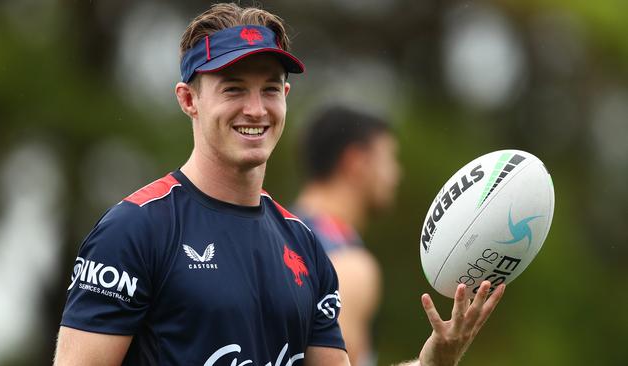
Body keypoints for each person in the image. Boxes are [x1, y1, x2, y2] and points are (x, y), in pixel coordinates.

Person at [53, 3, 505, 366]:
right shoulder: (135, 230)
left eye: (270, 89)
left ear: (285, 98)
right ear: (188, 99)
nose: (255, 109)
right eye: (232, 89)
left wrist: (434, 359)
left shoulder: (306, 247)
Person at [293, 105, 400, 366]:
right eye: (389, 160)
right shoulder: (350, 264)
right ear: (357, 162)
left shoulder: (278, 233)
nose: (396, 175)